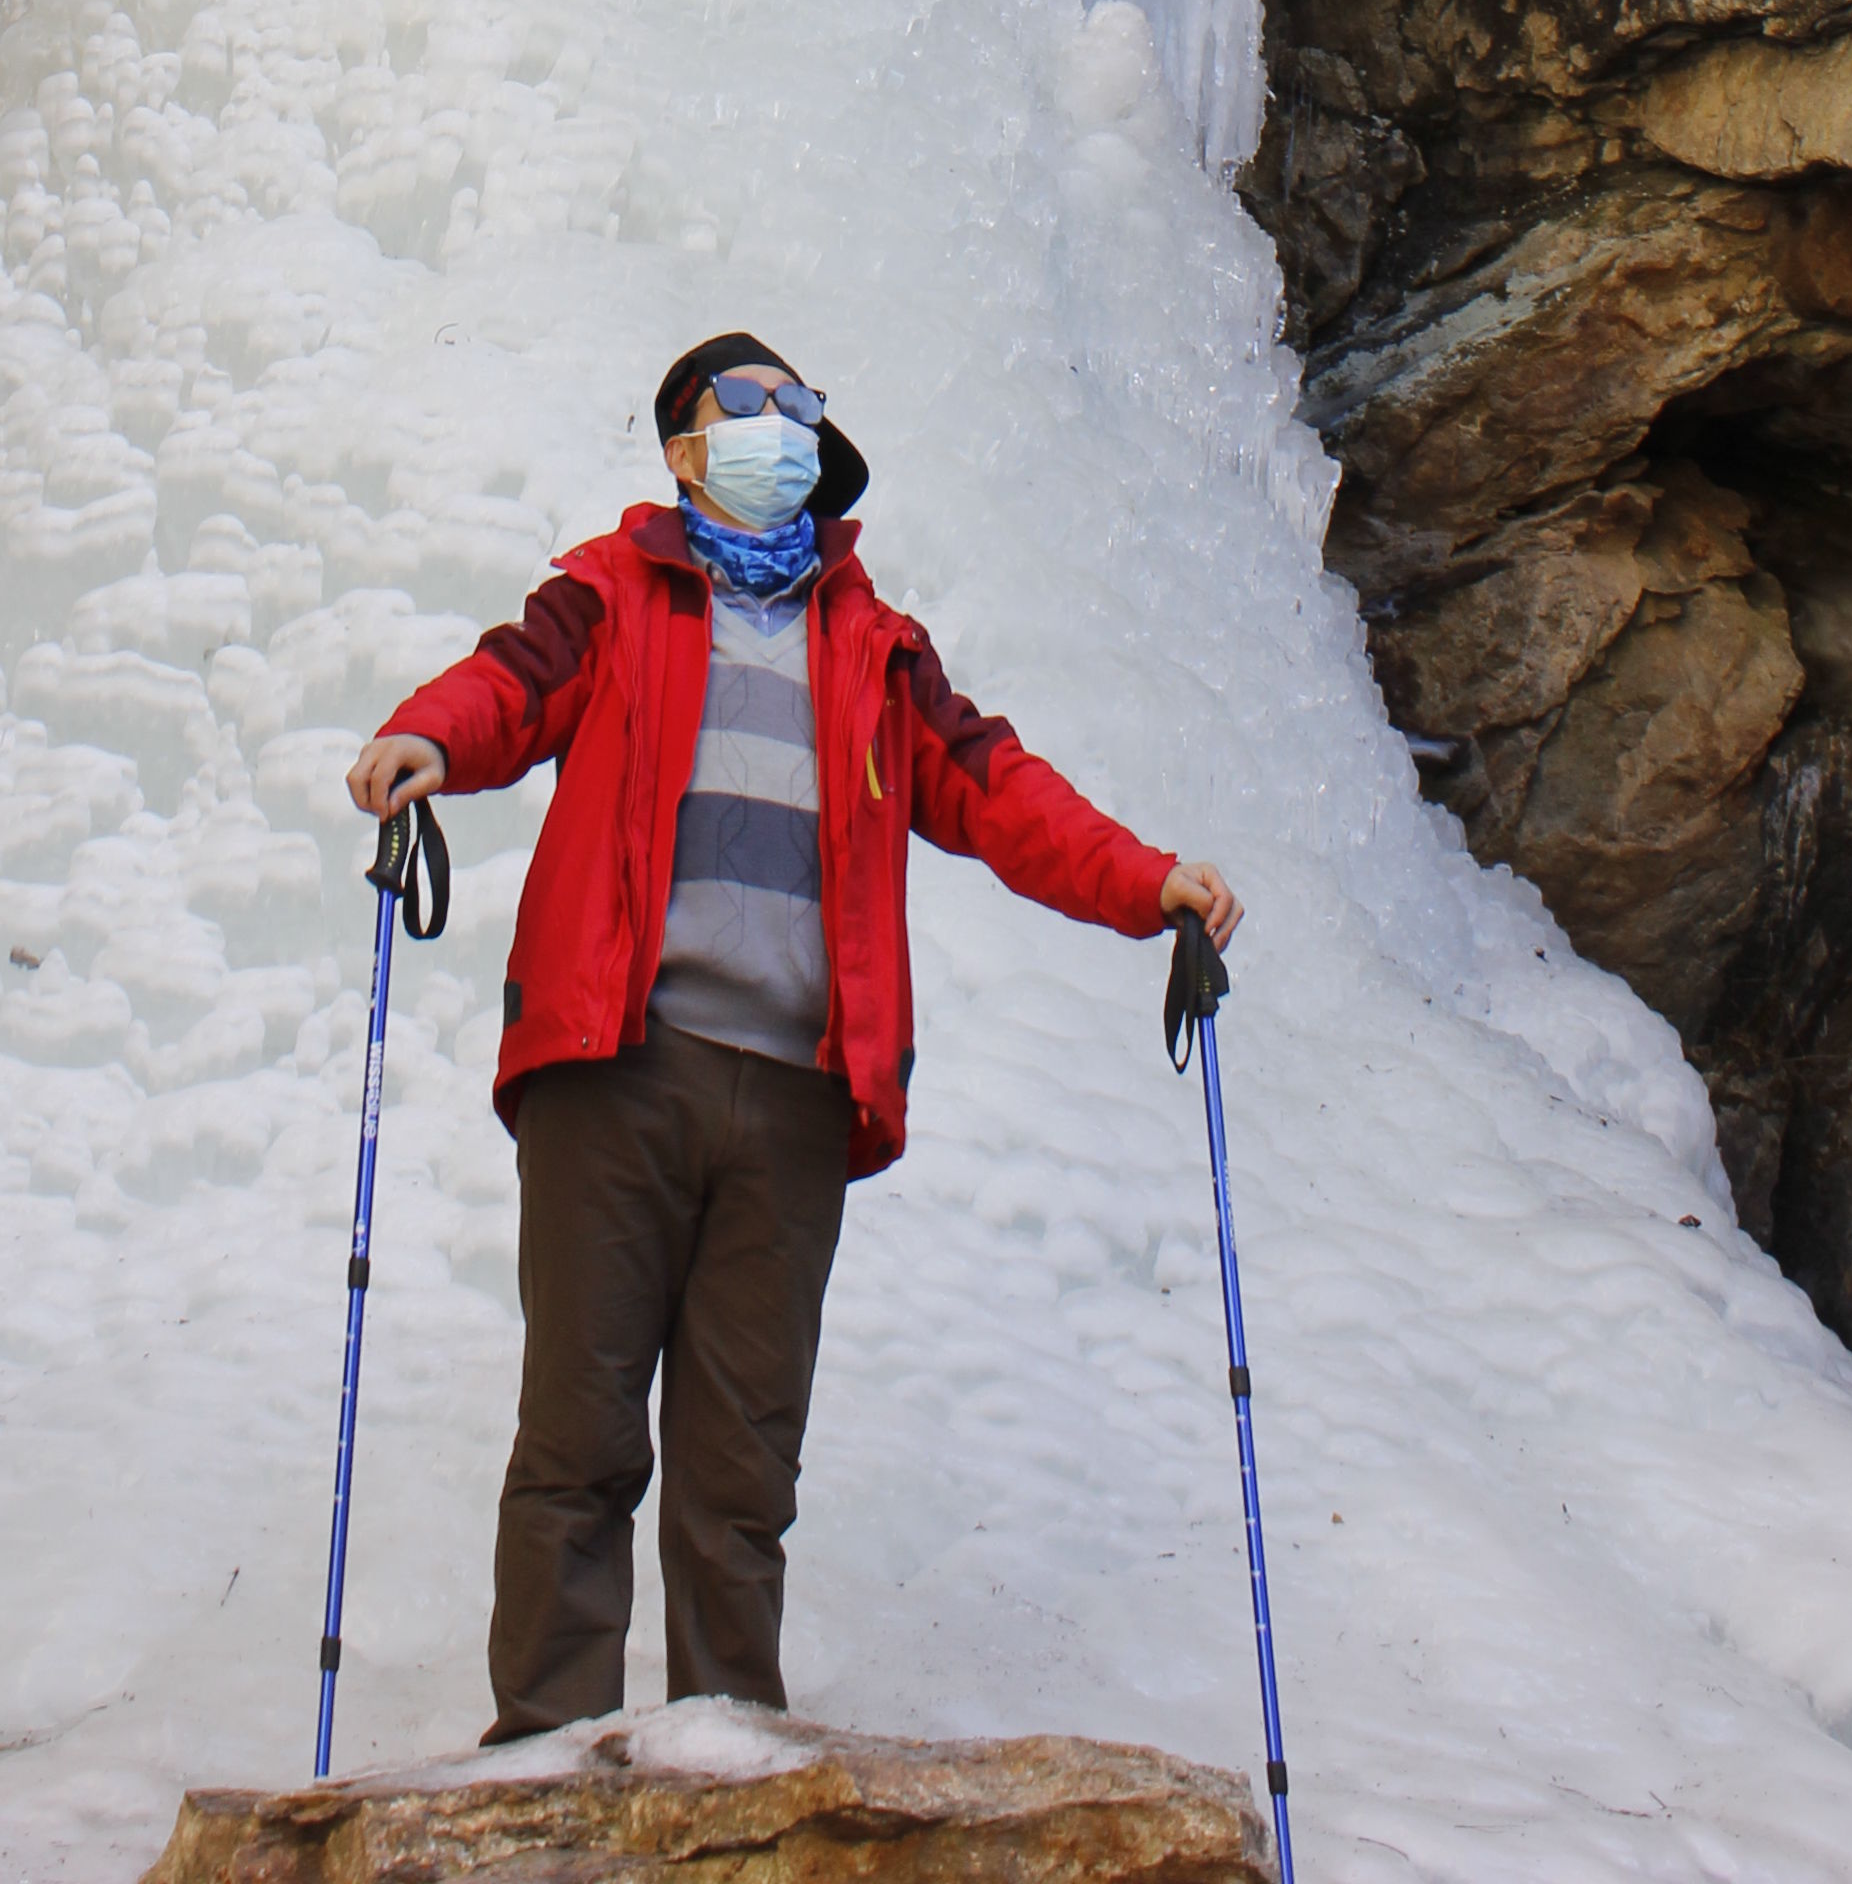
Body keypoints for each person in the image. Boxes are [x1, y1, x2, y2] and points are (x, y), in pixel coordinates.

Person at [345, 327, 1240, 1740]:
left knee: (742, 1465)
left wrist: (1149, 884)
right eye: (748, 408)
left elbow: (1001, 794)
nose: (783, 426)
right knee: (577, 1437)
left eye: (801, 408)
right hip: (614, 1074)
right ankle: (546, 1757)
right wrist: (427, 742)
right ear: (684, 453)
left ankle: (723, 1760)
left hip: (799, 1103)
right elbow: (509, 684)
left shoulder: (877, 652)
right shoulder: (609, 596)